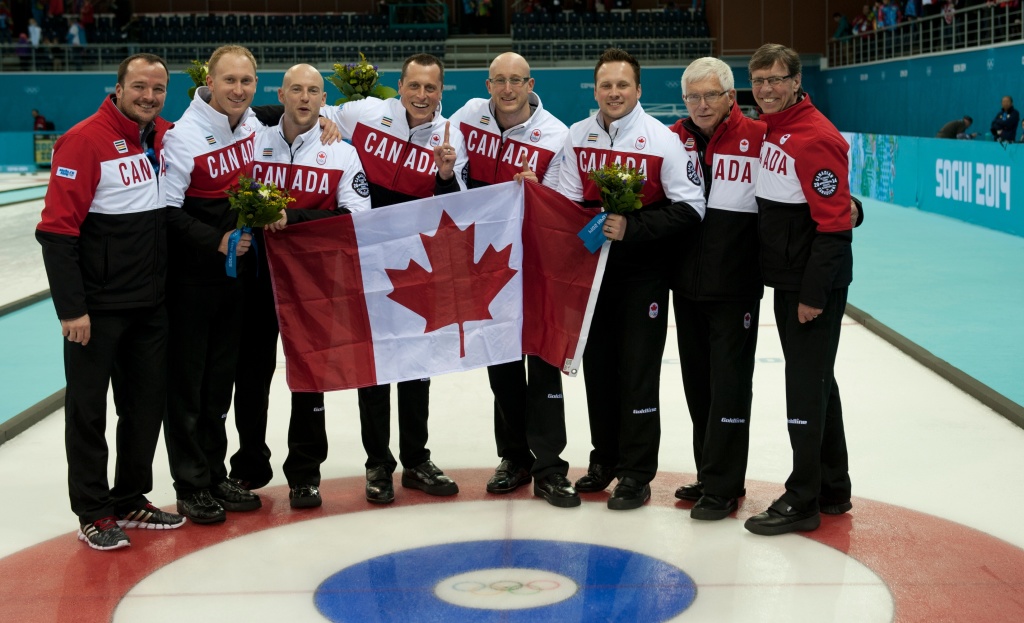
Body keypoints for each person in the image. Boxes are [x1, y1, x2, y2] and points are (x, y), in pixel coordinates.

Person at [36, 53, 186, 551]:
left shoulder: (163, 135)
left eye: (158, 89)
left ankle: (129, 498)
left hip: (150, 304)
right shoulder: (83, 140)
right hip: (96, 310)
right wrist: (71, 308)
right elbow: (57, 232)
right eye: (139, 87)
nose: (149, 96)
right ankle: (94, 511)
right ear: (117, 88)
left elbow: (239, 119)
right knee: (88, 412)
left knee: (144, 409)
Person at [556, 48, 706, 510]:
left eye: (623, 85)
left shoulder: (662, 141)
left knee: (638, 373)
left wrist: (634, 228)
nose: (614, 93)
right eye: (606, 85)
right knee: (598, 370)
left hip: (643, 276)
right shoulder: (577, 136)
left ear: (638, 90)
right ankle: (605, 460)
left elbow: (693, 207)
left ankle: (637, 474)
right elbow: (562, 200)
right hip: (591, 275)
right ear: (595, 89)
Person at [320, 54, 467, 504]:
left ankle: (416, 460)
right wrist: (324, 125)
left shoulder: (451, 136)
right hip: (366, 260)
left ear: (442, 92)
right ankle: (378, 465)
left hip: (418, 265)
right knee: (375, 366)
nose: (422, 96)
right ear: (399, 86)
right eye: (415, 86)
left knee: (416, 366)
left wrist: (445, 173)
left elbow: (457, 206)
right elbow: (307, 111)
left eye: (431, 88)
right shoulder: (366, 113)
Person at [446, 52, 578, 508]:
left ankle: (550, 466)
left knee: (542, 364)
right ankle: (514, 458)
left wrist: (539, 189)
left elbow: (566, 199)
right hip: (486, 263)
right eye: (499, 81)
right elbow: (450, 167)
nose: (507, 89)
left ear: (530, 83)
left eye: (515, 81)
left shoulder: (556, 134)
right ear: (488, 84)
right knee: (501, 364)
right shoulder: (467, 117)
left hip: (537, 263)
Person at [249, 64, 372, 509]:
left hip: (313, 282)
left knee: (307, 379)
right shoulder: (252, 137)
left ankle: (304, 474)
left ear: (325, 100)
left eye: (313, 92)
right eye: (296, 90)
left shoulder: (340, 150)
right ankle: (248, 467)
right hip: (257, 277)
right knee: (252, 375)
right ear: (280, 94)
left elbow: (357, 215)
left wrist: (295, 219)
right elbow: (210, 107)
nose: (304, 98)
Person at [744, 43, 855, 536]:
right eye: (758, 79)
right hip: (790, 278)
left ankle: (802, 497)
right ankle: (833, 486)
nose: (766, 89)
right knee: (818, 382)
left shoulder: (814, 137)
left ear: (795, 81)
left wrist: (813, 294)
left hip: (812, 287)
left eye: (775, 79)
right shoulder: (773, 127)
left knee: (804, 388)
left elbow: (834, 227)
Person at [161, 45, 263, 525]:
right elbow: (166, 213)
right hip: (191, 281)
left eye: (246, 81)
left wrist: (326, 120)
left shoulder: (249, 124)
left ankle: (214, 471)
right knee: (188, 386)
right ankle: (190, 483)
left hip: (234, 280)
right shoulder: (183, 137)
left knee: (219, 382)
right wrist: (216, 241)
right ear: (210, 81)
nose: (238, 90)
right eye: (230, 81)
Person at [667, 57, 765, 522]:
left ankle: (725, 486)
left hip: (735, 288)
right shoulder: (671, 139)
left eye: (711, 95)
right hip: (685, 288)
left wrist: (848, 206)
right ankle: (711, 474)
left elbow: (797, 191)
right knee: (698, 387)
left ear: (731, 97)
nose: (701, 105)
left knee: (729, 388)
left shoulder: (760, 139)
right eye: (693, 96)